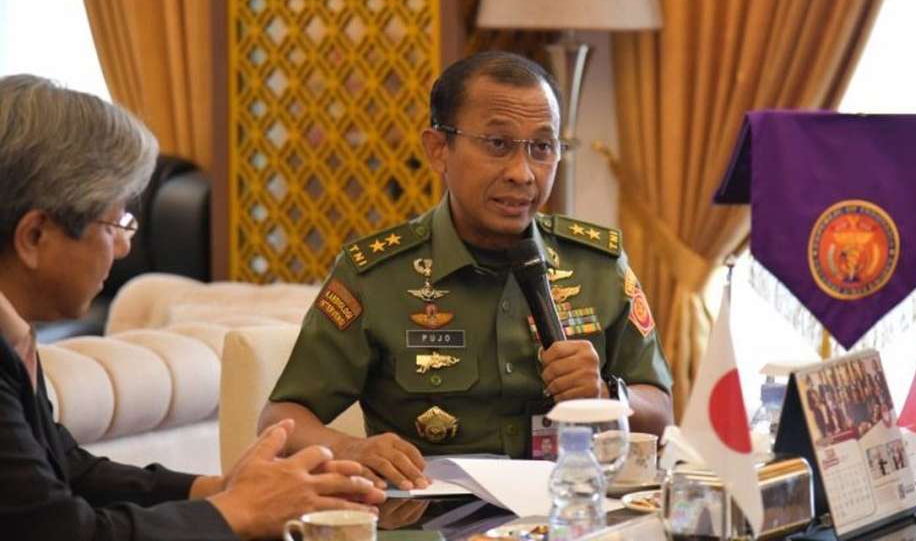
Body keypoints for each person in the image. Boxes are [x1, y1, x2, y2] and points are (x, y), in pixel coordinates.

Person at [261, 51, 674, 491]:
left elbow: (662, 413)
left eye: (541, 147)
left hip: (569, 507)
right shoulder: (376, 276)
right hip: (428, 514)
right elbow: (281, 420)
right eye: (498, 144)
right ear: (439, 150)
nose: (523, 173)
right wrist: (350, 449)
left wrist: (605, 396)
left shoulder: (597, 266)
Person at [0, 75, 385, 540]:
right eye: (114, 224)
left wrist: (218, 490)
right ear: (34, 236)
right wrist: (236, 510)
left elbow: (65, 468)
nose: (124, 247)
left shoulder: (14, 333)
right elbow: (61, 533)